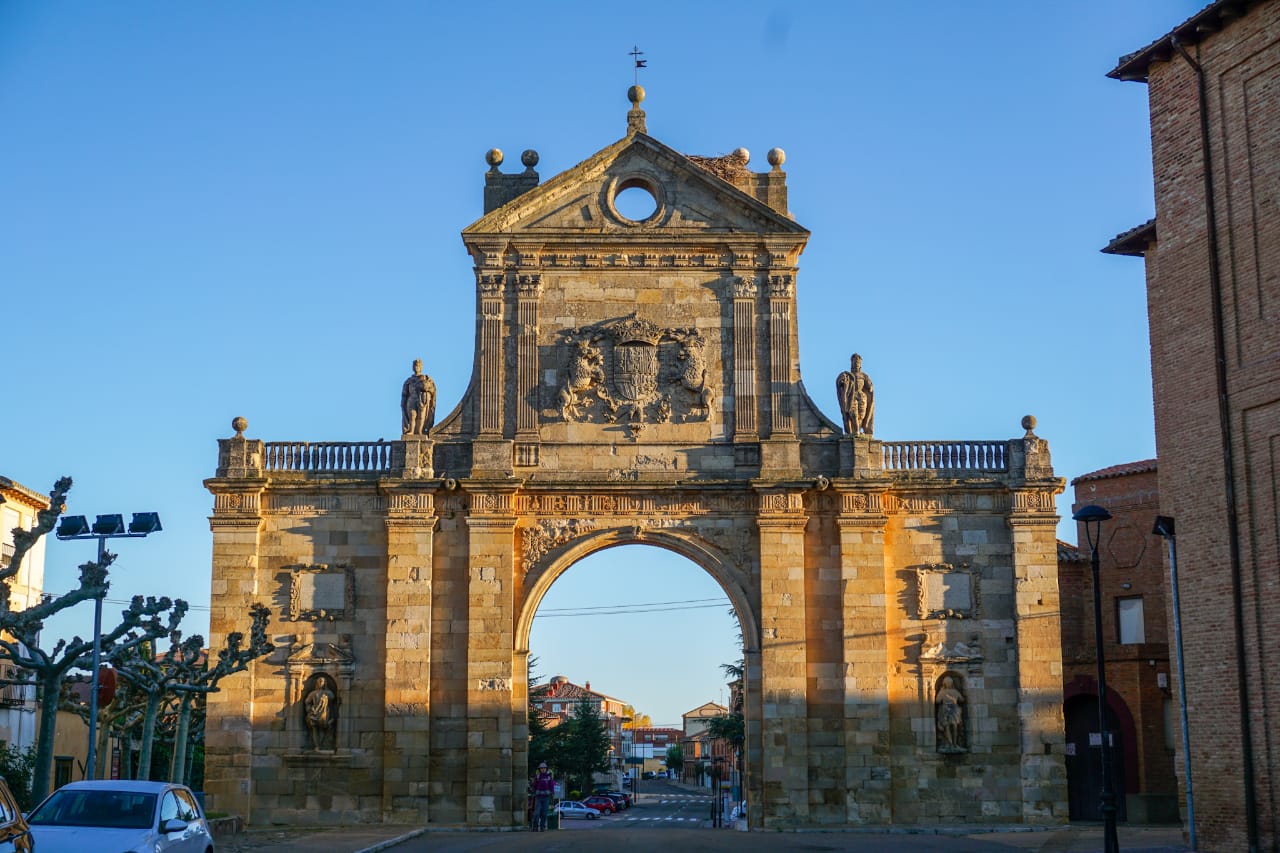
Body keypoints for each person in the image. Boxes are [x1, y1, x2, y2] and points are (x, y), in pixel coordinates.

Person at [836, 353, 874, 436]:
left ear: (860, 364)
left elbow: (869, 387)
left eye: (858, 362)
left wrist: (870, 386)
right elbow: (840, 381)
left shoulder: (864, 376)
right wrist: (842, 382)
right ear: (852, 363)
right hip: (851, 395)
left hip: (862, 396)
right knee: (853, 413)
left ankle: (858, 430)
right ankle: (856, 431)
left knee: (861, 415)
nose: (856, 364)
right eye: (855, 362)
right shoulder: (847, 375)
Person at [401, 359, 437, 435]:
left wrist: (426, 387)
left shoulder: (427, 379)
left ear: (421, 367)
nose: (416, 367)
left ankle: (420, 432)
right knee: (412, 415)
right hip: (411, 399)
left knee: (421, 416)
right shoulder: (409, 381)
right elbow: (404, 393)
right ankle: (411, 431)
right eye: (414, 366)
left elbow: (432, 390)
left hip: (422, 399)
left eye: (418, 366)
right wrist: (403, 403)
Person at [305, 677, 336, 750]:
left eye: (322, 681)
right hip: (315, 713)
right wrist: (310, 708)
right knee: (315, 728)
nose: (320, 683)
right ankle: (317, 746)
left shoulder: (328, 693)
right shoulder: (313, 693)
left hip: (325, 713)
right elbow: (307, 702)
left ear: (325, 683)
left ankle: (324, 745)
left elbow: (333, 698)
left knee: (325, 727)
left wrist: (325, 696)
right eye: (318, 681)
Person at [935, 676, 965, 751]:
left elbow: (937, 701)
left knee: (947, 727)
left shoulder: (942, 692)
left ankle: (950, 744)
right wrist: (955, 699)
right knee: (954, 727)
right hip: (954, 710)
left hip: (946, 710)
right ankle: (954, 744)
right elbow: (962, 699)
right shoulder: (955, 691)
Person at [531, 762, 554, 831]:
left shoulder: (549, 777)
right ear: (539, 769)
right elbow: (534, 785)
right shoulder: (537, 777)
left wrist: (552, 792)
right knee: (536, 813)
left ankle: (542, 827)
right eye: (541, 768)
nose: (543, 769)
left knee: (544, 813)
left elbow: (551, 785)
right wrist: (533, 792)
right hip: (538, 797)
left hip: (546, 797)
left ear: (546, 769)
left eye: (544, 768)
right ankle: (535, 827)